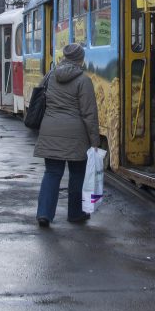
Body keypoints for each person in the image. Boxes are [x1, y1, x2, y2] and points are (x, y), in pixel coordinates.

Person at [34, 43, 100, 227]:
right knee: (77, 174)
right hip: (76, 134)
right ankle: (75, 213)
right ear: (80, 59)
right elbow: (89, 113)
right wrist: (94, 140)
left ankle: (44, 214)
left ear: (64, 57)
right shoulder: (83, 80)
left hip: (50, 130)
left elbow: (41, 99)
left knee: (52, 173)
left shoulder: (50, 76)